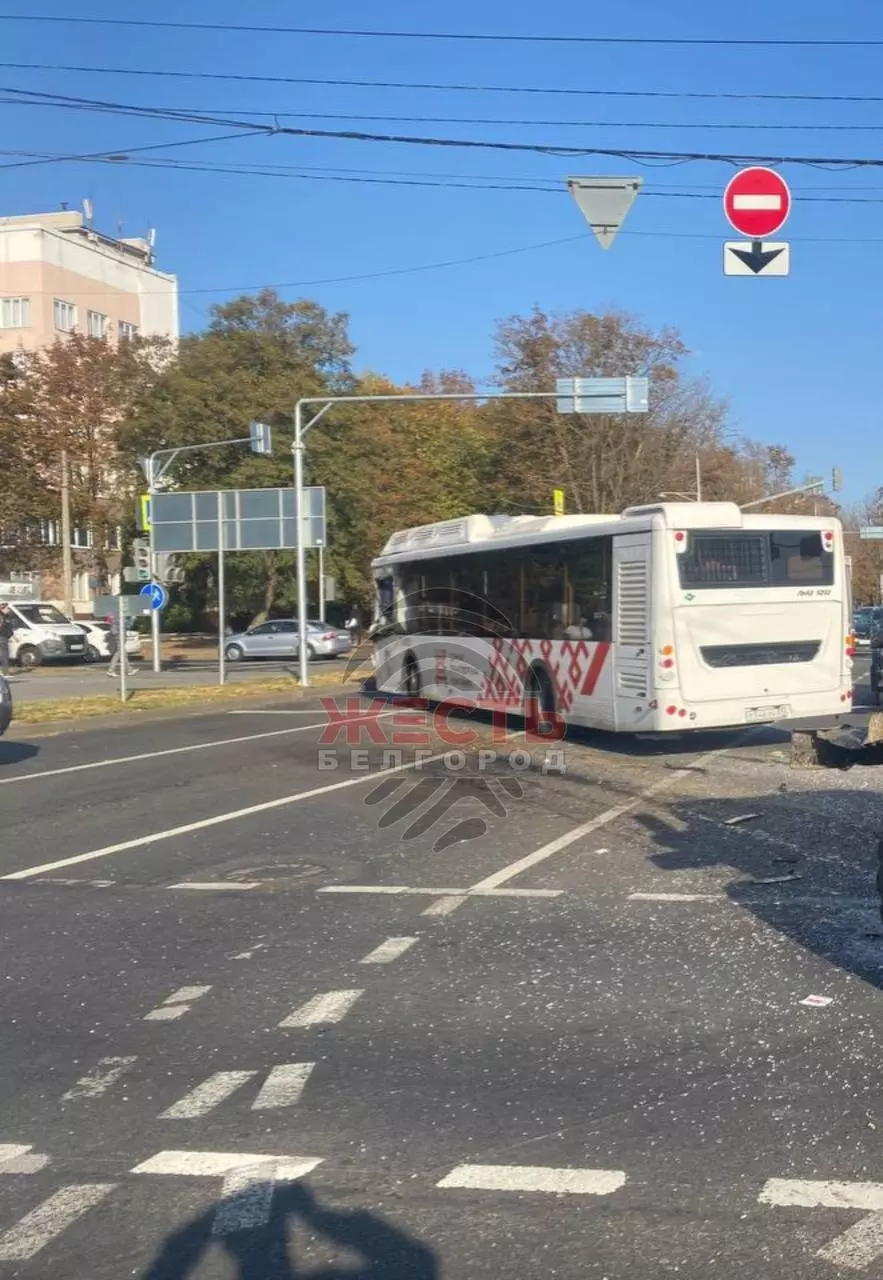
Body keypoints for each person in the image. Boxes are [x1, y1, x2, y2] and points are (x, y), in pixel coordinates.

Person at [106, 612, 129, 678]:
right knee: (119, 653)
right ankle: (110, 670)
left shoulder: (113, 615)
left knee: (122, 653)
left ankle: (129, 669)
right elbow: (123, 624)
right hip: (119, 635)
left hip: (118, 635)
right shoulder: (117, 615)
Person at [0, 602, 14, 677]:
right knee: (4, 654)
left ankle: (4, 672)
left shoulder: (5, 616)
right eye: (7, 608)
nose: (8, 609)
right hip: (2, 637)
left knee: (3, 654)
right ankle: (5, 673)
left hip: (4, 636)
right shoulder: (1, 616)